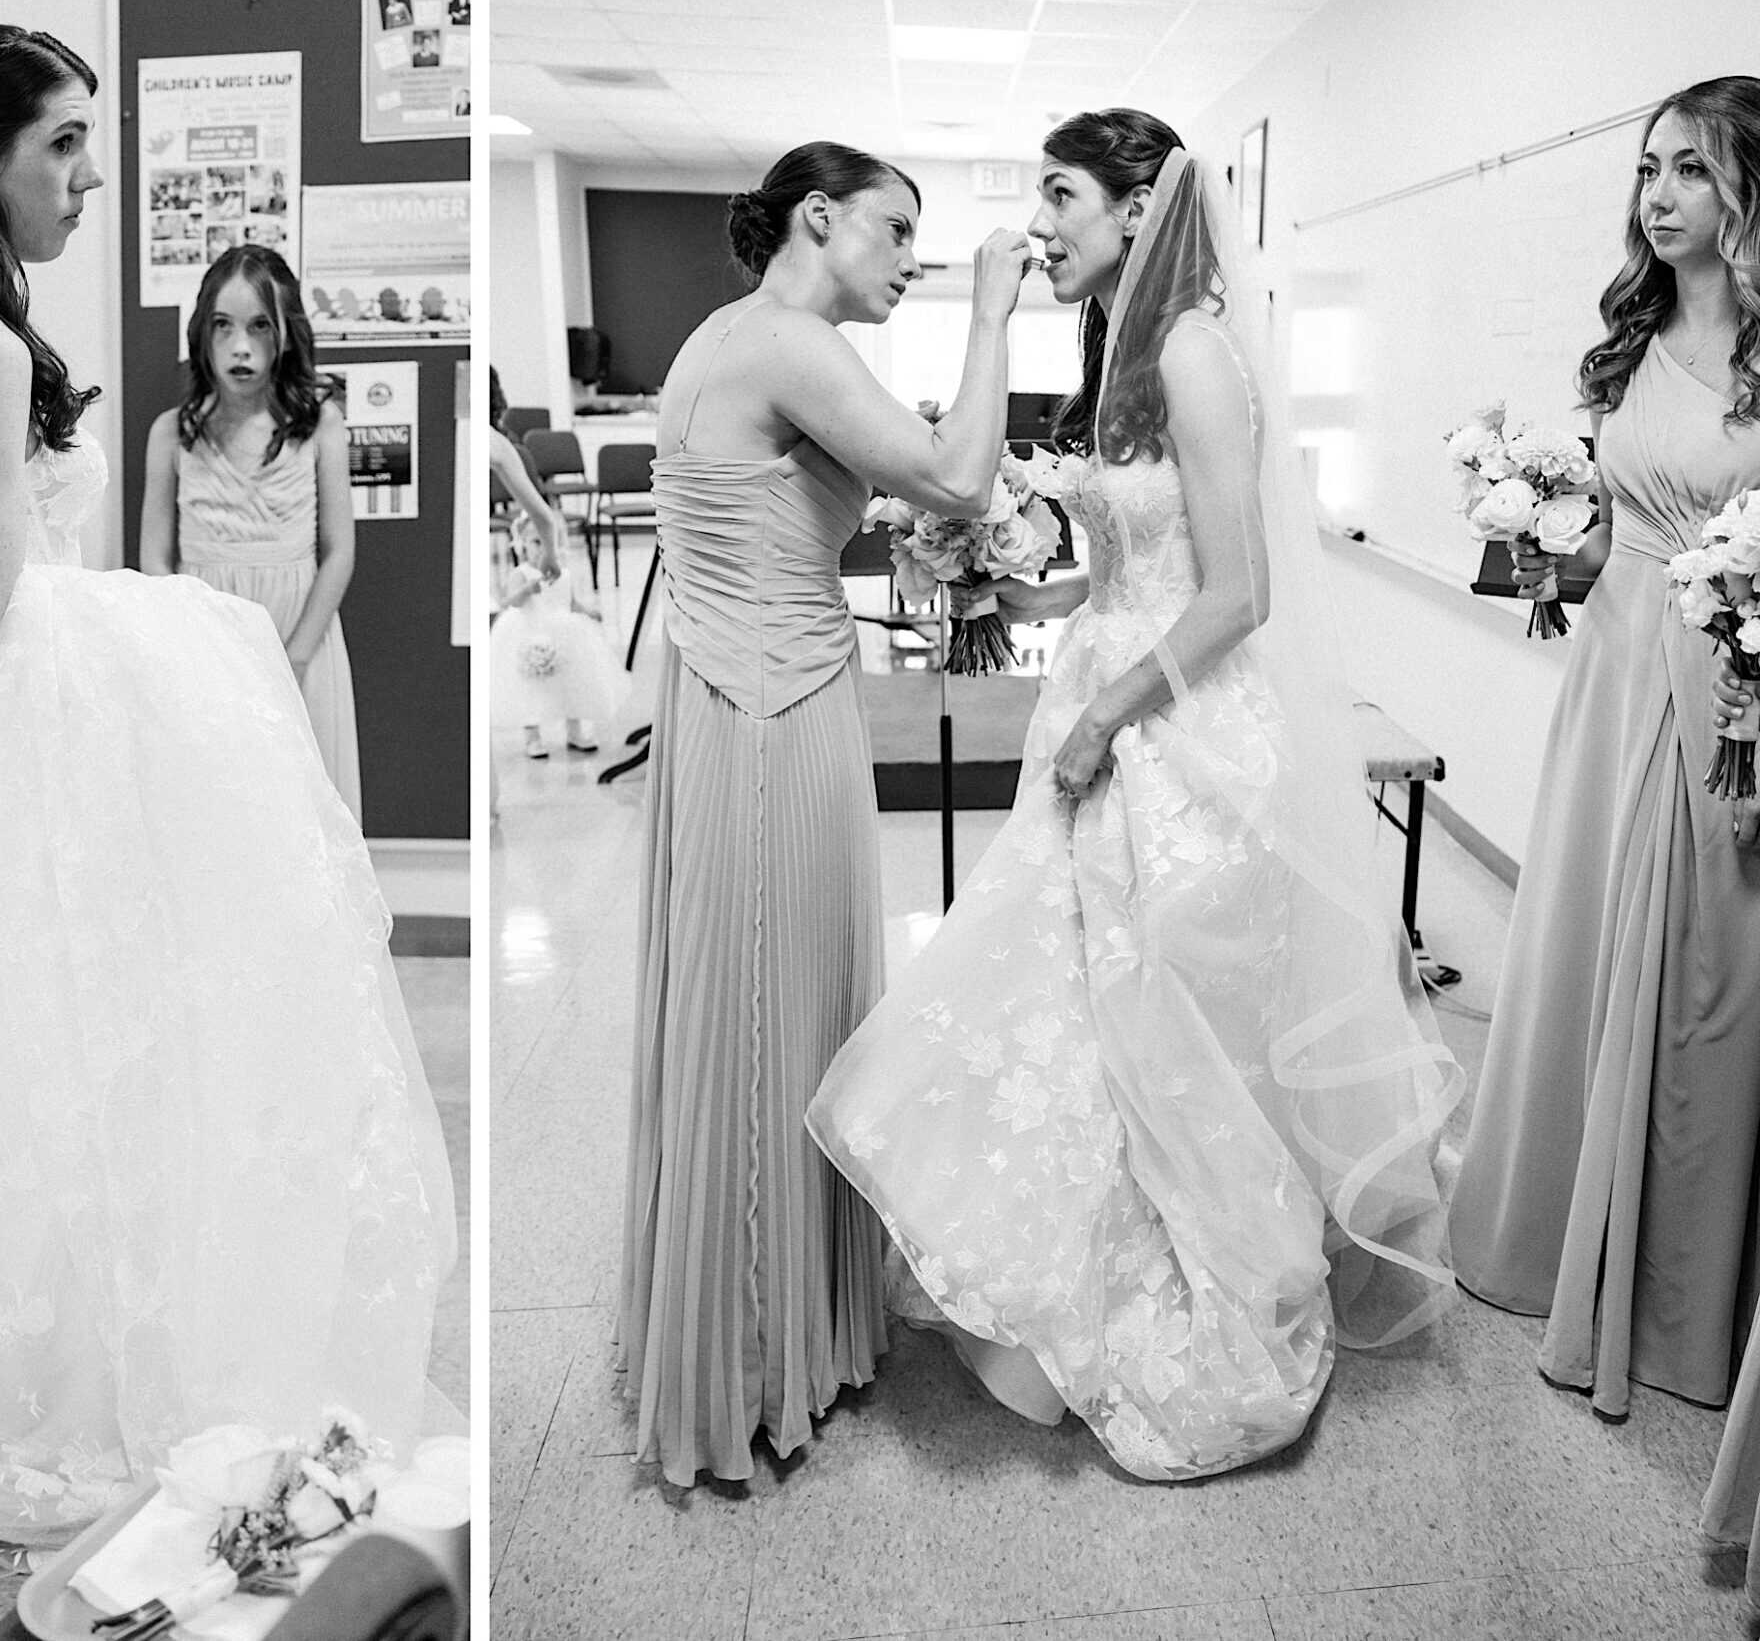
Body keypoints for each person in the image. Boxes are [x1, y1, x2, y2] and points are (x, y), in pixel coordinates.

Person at [0, 28, 455, 1578]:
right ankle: (96, 1358)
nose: (90, 176)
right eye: (67, 145)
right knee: (106, 1044)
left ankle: (33, 1330)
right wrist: (181, 631)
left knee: (27, 1060)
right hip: (26, 727)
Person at [808, 109, 1460, 1481]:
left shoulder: (1198, 351)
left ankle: (1204, 1294)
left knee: (1162, 1022)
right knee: (1076, 1005)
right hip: (1107, 703)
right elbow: (1130, 570)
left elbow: (1240, 594)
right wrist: (1010, 582)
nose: (1038, 224)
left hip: (1180, 735)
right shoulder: (1129, 352)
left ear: (1134, 211)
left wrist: (1107, 708)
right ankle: (1079, 1275)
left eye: (1057, 195)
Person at [616, 139, 1032, 1488]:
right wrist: (986, 316)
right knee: (764, 1013)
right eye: (895, 227)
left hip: (746, 696)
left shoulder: (735, 338)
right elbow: (959, 476)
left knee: (780, 1004)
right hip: (770, 714)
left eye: (923, 241)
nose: (912, 254)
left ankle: (776, 1320)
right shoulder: (788, 341)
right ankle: (752, 1357)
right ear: (817, 218)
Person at [1454, 76, 1760, 1420]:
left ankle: (1679, 1298)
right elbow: (1601, 534)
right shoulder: (1630, 340)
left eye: (1690, 169)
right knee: (1584, 942)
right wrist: (1543, 523)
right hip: (1617, 658)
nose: (1659, 195)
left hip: (1727, 687)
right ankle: (1553, 1232)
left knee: (1704, 972)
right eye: (1649, 170)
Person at [140, 242, 360, 818]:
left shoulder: (320, 424)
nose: (241, 347)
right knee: (216, 811)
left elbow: (339, 552)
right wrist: (197, 652)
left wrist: (299, 657)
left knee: (299, 813)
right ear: (201, 334)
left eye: (260, 327)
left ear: (286, 331)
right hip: (203, 647)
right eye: (223, 326)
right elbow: (155, 562)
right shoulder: (172, 433)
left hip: (299, 642)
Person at [490, 508, 623, 758]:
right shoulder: (522, 573)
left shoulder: (564, 573)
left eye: (549, 542)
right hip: (530, 632)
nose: (542, 548)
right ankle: (532, 736)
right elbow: (510, 601)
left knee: (571, 684)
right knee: (530, 688)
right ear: (522, 544)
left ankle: (574, 731)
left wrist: (588, 612)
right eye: (536, 542)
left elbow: (570, 603)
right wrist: (527, 590)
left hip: (565, 635)